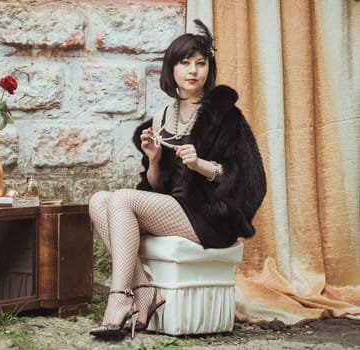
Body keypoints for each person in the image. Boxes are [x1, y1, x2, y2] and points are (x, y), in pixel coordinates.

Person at [89, 19, 267, 338]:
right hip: (178, 207)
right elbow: (159, 188)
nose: (193, 70)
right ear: (172, 68)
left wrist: (200, 164)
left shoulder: (224, 116)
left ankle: (119, 299)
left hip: (212, 215)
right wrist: (155, 159)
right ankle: (145, 290)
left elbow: (246, 177)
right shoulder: (163, 116)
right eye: (185, 62)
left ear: (208, 69)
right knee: (98, 201)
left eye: (201, 63)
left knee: (122, 198)